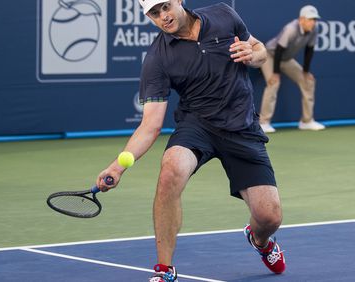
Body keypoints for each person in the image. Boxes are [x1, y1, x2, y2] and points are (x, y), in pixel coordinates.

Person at [95, 0, 285, 281]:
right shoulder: (157, 59)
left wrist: (252, 53)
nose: (163, 16)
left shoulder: (223, 15)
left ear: (179, 1)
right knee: (170, 168)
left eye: (165, 6)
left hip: (241, 125)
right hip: (198, 125)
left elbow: (259, 50)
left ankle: (260, 241)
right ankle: (164, 270)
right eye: (154, 13)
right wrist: (117, 166)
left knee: (269, 217)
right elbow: (150, 125)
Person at [258, 5, 325, 133]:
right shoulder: (291, 29)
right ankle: (264, 123)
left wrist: (305, 71)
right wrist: (276, 73)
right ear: (301, 19)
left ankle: (306, 121)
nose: (313, 22)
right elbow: (278, 50)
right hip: (270, 55)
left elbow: (309, 50)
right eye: (310, 19)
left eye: (314, 19)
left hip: (286, 59)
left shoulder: (314, 29)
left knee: (308, 81)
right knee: (274, 82)